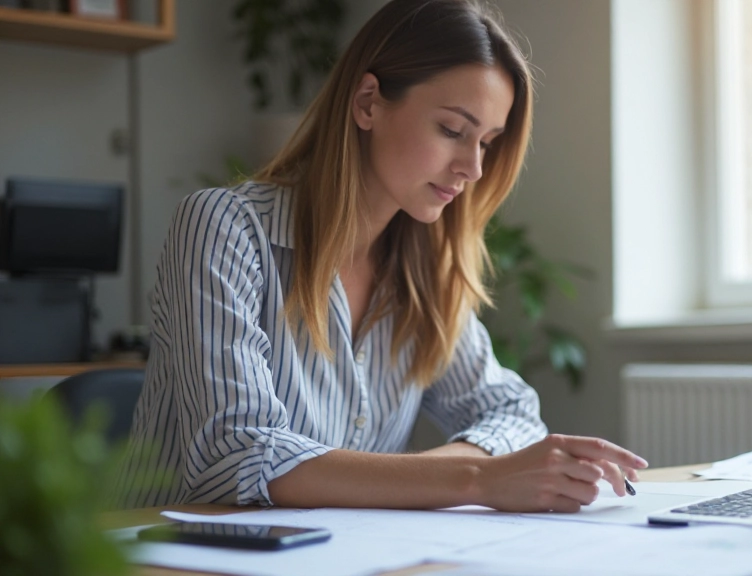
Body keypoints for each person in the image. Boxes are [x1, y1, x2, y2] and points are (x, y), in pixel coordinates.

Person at [114, 0, 647, 513]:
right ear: (368, 103)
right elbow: (232, 457)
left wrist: (457, 476)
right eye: (452, 130)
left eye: (487, 142)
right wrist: (478, 477)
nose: (473, 168)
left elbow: (511, 412)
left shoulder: (424, 269)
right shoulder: (224, 227)